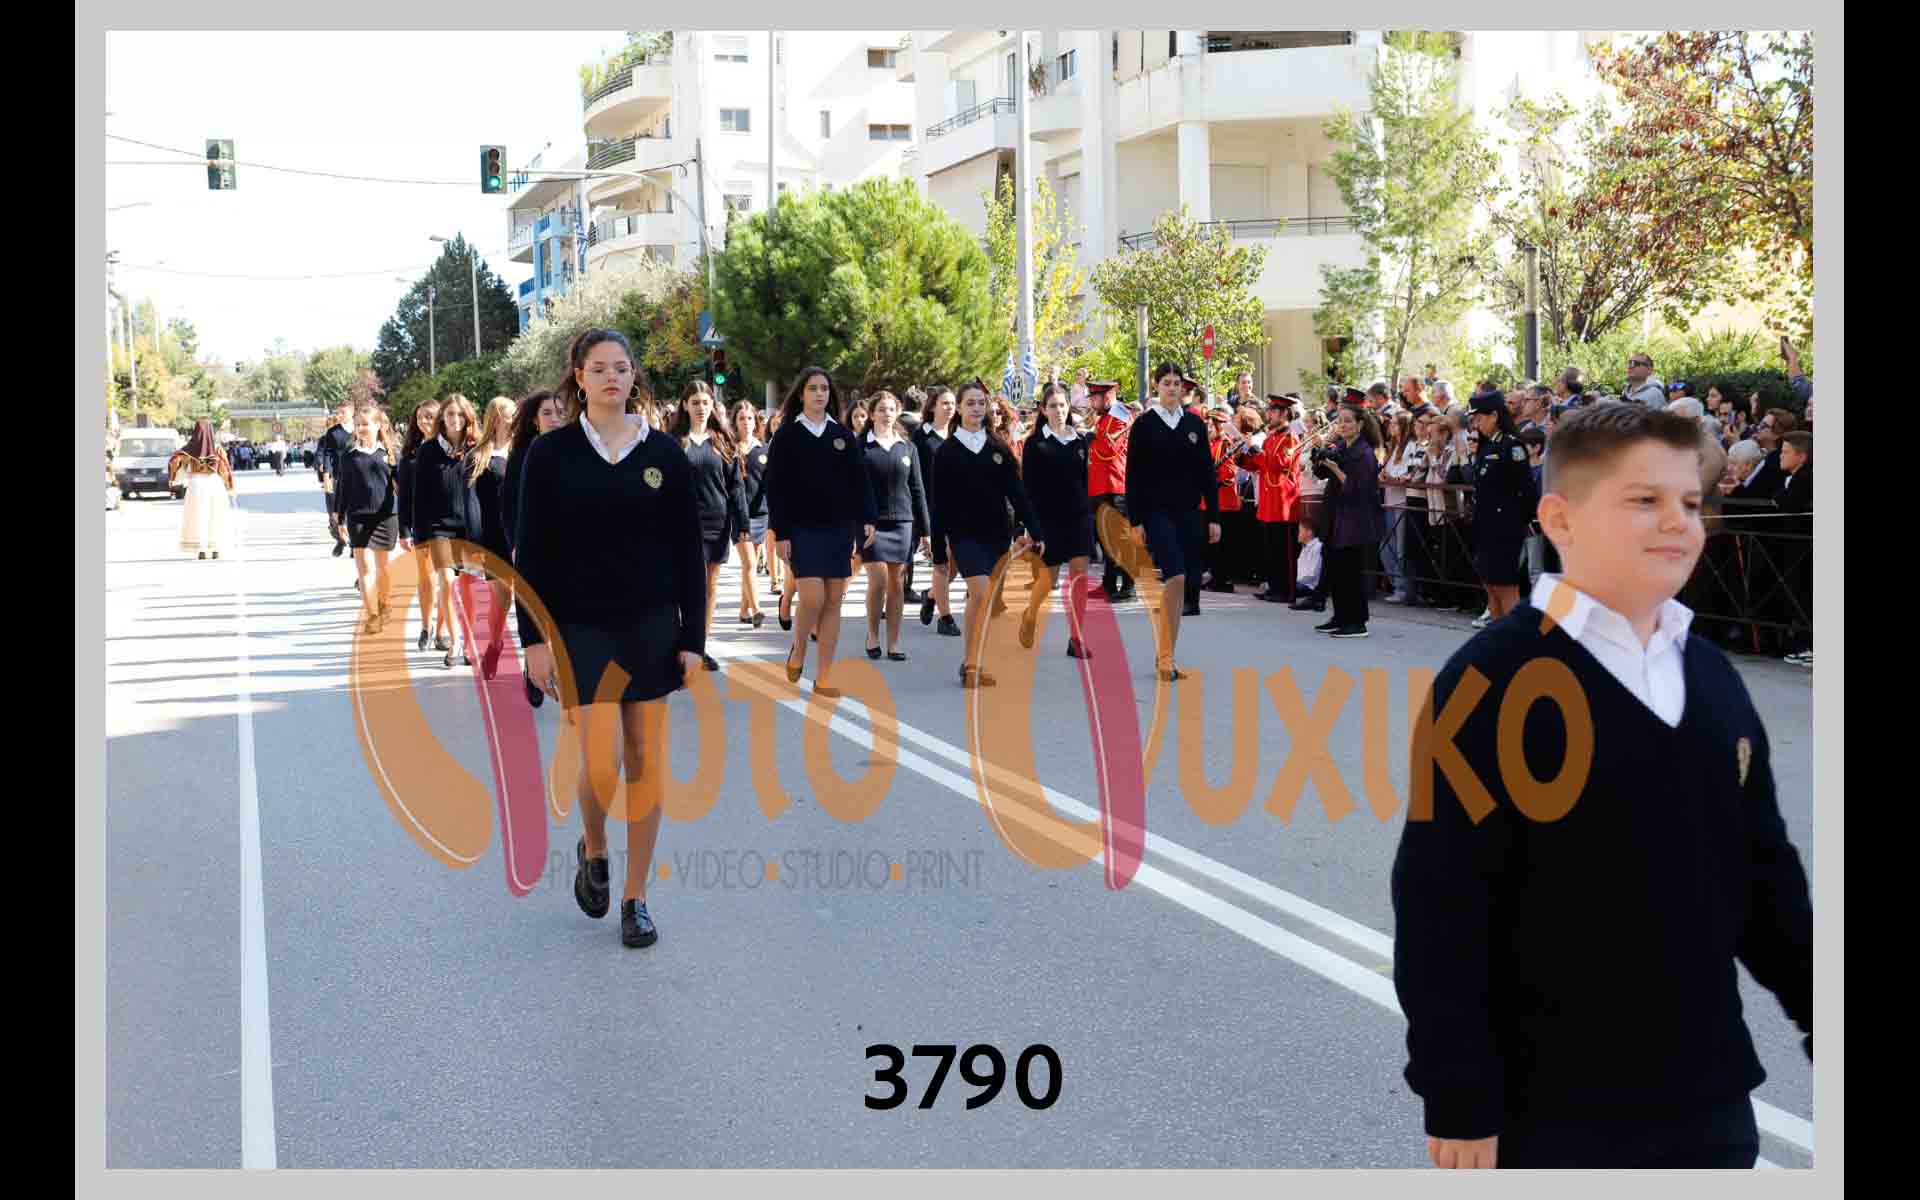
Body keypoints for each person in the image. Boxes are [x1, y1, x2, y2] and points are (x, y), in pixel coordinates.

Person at [1390, 402, 1812, 1169]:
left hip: (1710, 1098)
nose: (1678, 522)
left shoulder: (1709, 674)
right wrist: (1458, 1091)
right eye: (1643, 500)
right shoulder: (1493, 679)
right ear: (1561, 519)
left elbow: (1764, 875)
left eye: (1691, 502)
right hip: (1553, 1114)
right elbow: (1441, 899)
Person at [515, 329, 705, 951]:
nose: (612, 378)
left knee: (646, 761)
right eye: (598, 368)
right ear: (578, 376)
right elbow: (530, 552)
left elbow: (689, 552)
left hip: (651, 623)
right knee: (601, 761)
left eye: (621, 368)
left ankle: (635, 897)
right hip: (579, 625)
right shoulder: (551, 454)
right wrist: (532, 639)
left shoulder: (665, 454)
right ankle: (594, 846)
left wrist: (694, 640)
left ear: (633, 376)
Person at [764, 367, 878, 699]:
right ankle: (799, 648)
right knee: (813, 598)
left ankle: (824, 678)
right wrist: (780, 532)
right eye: (813, 388)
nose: (819, 394)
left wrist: (867, 518)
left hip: (838, 528)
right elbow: (776, 487)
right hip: (801, 529)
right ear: (801, 394)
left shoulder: (841, 434)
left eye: (824, 388)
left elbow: (859, 481)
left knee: (833, 601)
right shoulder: (787, 434)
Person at [931, 378, 1042, 688]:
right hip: (964, 536)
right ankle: (971, 664)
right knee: (980, 593)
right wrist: (939, 550)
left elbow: (1017, 493)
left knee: (985, 602)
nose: (977, 408)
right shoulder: (947, 451)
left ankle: (974, 662)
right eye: (970, 403)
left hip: (997, 535)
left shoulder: (998, 448)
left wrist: (1035, 530)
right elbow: (939, 504)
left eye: (981, 403)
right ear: (959, 408)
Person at [1125, 362, 1221, 680]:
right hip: (1156, 513)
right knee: (1175, 576)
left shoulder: (1194, 424)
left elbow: (1207, 473)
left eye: (1176, 383)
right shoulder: (1144, 424)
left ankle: (1167, 652)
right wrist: (1135, 520)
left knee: (1183, 581)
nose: (1172, 388)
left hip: (1189, 513)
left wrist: (1214, 516)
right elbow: (1133, 475)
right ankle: (1165, 656)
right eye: (1166, 382)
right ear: (1156, 386)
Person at [672, 382, 749, 674]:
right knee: (684, 587)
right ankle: (677, 643)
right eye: (695, 402)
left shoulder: (723, 441)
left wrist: (742, 522)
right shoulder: (673, 441)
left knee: (708, 587)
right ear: (685, 405)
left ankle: (699, 647)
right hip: (682, 525)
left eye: (705, 402)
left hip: (717, 523)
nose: (701, 408)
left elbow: (736, 486)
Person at [502, 390, 571, 707]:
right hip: (533, 545)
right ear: (534, 420)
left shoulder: (576, 450)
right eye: (547, 413)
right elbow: (509, 505)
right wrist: (516, 543)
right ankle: (534, 668)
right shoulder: (523, 455)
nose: (555, 418)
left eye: (560, 412)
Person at [1019, 383, 1097, 659]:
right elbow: (1027, 489)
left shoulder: (1079, 441)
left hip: (1078, 517)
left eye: (1063, 405)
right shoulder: (1035, 444)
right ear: (1043, 410)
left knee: (1079, 576)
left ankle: (1076, 637)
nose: (1059, 410)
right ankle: (1030, 614)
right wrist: (1030, 528)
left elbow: (1084, 481)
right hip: (1047, 520)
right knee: (1047, 580)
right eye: (1053, 406)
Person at [411, 394, 483, 670]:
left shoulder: (477, 449)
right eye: (450, 414)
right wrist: (419, 537)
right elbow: (419, 497)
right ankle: (454, 642)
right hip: (439, 528)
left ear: (468, 418)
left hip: (470, 529)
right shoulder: (428, 451)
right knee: (447, 581)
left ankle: (469, 641)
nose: (455, 419)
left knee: (469, 588)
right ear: (443, 418)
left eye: (460, 414)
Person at [857, 391, 931, 662]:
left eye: (891, 409)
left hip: (902, 523)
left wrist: (926, 532)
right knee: (878, 581)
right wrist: (860, 520)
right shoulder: (861, 446)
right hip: (871, 524)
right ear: (872, 414)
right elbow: (853, 488)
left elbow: (918, 490)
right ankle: (872, 635)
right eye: (881, 409)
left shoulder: (907, 447)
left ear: (897, 412)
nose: (886, 414)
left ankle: (894, 642)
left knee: (897, 584)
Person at [1465, 388, 1539, 628]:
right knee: (1491, 586)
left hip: (1505, 527)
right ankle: (1498, 636)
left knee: (1505, 587)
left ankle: (1515, 640)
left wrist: (1520, 521)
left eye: (1479, 418)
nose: (1476, 424)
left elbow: (1526, 489)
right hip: (1485, 525)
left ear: (1495, 416)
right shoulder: (1487, 445)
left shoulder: (1512, 446)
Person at [1312, 403, 1385, 638]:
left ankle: (1357, 621)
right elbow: (1321, 473)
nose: (1342, 425)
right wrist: (1321, 455)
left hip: (1354, 519)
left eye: (1348, 421)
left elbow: (1357, 488)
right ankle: (1340, 616)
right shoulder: (1342, 446)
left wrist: (1336, 469)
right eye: (1340, 421)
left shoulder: (1365, 453)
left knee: (1351, 571)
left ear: (1360, 425)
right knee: (1335, 568)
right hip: (1336, 515)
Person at [331, 406, 401, 633]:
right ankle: (372, 615)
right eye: (358, 424)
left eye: (366, 424)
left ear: (378, 425)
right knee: (365, 570)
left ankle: (385, 603)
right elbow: (342, 489)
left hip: (386, 519)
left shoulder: (390, 454)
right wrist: (339, 518)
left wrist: (408, 522)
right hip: (358, 519)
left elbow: (403, 488)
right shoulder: (349, 457)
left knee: (383, 568)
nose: (361, 428)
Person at [467, 396, 519, 679]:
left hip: (523, 534)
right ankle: (495, 644)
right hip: (494, 536)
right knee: (503, 598)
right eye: (512, 414)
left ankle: (534, 661)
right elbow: (472, 503)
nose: (517, 419)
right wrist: (475, 542)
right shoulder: (479, 456)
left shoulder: (526, 450)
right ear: (497, 418)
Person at [1236, 396, 1303, 604]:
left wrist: (1255, 450)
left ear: (1284, 414)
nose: (1268, 415)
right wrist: (1242, 456)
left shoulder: (1290, 438)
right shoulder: (1270, 438)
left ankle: (1286, 590)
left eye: (1273, 411)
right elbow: (1258, 464)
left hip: (1283, 501)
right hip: (1268, 501)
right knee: (1271, 548)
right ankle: (1274, 587)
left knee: (1284, 550)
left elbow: (1278, 464)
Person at [914, 387, 962, 637]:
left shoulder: (960, 433)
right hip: (933, 509)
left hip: (960, 509)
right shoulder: (921, 437)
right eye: (944, 403)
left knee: (955, 565)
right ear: (932, 406)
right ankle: (946, 618)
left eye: (953, 403)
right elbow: (916, 479)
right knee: (942, 564)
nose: (950, 408)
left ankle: (932, 594)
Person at [395, 401, 442, 653]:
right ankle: (426, 626)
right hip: (421, 524)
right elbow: (403, 497)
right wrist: (404, 530)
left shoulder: (452, 449)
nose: (424, 422)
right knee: (427, 578)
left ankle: (443, 630)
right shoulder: (410, 456)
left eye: (429, 417)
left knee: (447, 580)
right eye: (420, 418)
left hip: (449, 524)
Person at [1085, 380, 1136, 602]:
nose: (1091, 402)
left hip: (1115, 485)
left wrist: (1090, 440)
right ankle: (1109, 583)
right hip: (1101, 484)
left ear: (1106, 397)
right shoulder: (1106, 418)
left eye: (1094, 397)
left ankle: (1129, 586)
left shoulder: (1119, 417)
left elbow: (1109, 449)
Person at [1378, 411, 1428, 605]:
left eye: (1396, 424)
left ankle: (1403, 588)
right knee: (1385, 547)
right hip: (1389, 501)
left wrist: (1391, 478)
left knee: (1400, 549)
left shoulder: (1411, 446)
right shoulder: (1394, 447)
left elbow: (1407, 475)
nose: (1391, 426)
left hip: (1402, 502)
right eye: (1391, 423)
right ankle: (1396, 584)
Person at [166, 419, 235, 560]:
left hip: (196, 484)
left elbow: (174, 461)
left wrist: (174, 477)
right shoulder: (217, 449)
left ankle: (201, 549)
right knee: (215, 515)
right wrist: (229, 486)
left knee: (198, 516)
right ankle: (215, 548)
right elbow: (225, 468)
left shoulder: (189, 449)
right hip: (214, 483)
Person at [1775, 432, 1813, 667]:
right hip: (1796, 545)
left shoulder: (1805, 477)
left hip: (1802, 545)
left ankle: (1808, 645)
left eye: (1786, 452)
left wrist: (1781, 495)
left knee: (1804, 594)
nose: (1781, 456)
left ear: (1802, 456)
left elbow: (1788, 503)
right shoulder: (1797, 476)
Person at [731, 400, 770, 629]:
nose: (746, 422)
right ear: (735, 422)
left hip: (760, 514)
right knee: (749, 563)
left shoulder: (763, 449)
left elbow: (770, 483)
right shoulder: (729, 449)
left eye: (749, 418)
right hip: (738, 515)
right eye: (741, 418)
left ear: (755, 422)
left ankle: (743, 609)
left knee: (751, 565)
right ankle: (756, 609)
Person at [317, 400, 356, 556]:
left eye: (343, 412)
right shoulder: (333, 432)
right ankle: (340, 538)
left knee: (354, 511)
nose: (339, 415)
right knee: (337, 512)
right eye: (338, 412)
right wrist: (326, 476)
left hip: (357, 476)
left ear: (352, 412)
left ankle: (355, 545)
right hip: (339, 477)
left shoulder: (359, 429)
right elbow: (327, 454)